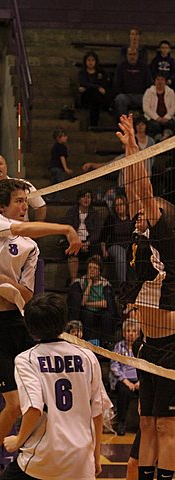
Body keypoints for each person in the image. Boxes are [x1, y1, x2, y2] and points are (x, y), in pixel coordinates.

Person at [0, 178, 81, 480]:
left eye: (25, 201)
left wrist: (6, 283)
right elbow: (21, 229)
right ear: (2, 205)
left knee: (32, 402)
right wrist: (66, 229)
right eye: (18, 201)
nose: (23, 206)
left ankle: (15, 459)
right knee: (15, 402)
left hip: (15, 325)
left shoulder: (31, 248)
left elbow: (26, 296)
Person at [116, 113, 175, 480]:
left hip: (171, 344)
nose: (140, 212)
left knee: (168, 427)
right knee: (148, 424)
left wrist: (136, 151)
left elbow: (146, 192)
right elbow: (135, 191)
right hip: (148, 346)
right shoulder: (143, 235)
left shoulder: (165, 231)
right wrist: (127, 156)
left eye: (147, 213)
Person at [0, 293, 106, 480]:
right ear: (64, 322)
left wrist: (18, 441)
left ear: (30, 327)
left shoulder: (27, 359)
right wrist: (95, 455)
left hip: (45, 456)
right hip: (80, 458)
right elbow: (97, 412)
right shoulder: (88, 357)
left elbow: (34, 408)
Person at [67, 255, 117, 347]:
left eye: (95, 268)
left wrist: (88, 303)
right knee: (87, 314)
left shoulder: (105, 284)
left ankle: (106, 343)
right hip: (87, 312)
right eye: (90, 268)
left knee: (107, 315)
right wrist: (89, 285)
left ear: (99, 271)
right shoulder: (81, 282)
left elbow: (105, 304)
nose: (92, 270)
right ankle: (85, 341)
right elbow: (81, 303)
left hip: (100, 311)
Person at [63, 189, 102, 283]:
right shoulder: (72, 212)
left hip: (89, 241)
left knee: (97, 248)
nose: (86, 199)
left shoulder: (95, 213)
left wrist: (88, 243)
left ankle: (94, 281)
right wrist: (78, 242)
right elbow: (67, 228)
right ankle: (74, 281)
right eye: (84, 197)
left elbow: (97, 232)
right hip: (75, 240)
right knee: (71, 251)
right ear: (79, 199)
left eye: (88, 197)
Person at [110, 318, 140, 435]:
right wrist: (126, 381)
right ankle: (122, 422)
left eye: (134, 331)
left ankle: (144, 424)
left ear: (138, 333)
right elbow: (114, 366)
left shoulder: (141, 347)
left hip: (139, 380)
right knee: (124, 391)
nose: (131, 333)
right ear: (123, 333)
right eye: (128, 331)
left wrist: (140, 382)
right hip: (123, 380)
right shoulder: (119, 346)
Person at [100, 195, 134, 285]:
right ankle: (123, 285)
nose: (119, 207)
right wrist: (104, 251)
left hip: (129, 246)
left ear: (126, 205)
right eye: (116, 205)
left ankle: (134, 284)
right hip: (114, 246)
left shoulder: (131, 219)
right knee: (120, 253)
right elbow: (103, 237)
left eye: (121, 204)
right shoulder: (111, 219)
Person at [114, 48, 152, 120]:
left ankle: (146, 123)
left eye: (134, 54)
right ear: (127, 55)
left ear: (138, 55)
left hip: (141, 95)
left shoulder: (144, 66)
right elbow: (117, 83)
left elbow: (149, 82)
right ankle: (124, 123)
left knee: (151, 99)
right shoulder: (121, 66)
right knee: (120, 99)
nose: (132, 56)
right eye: (130, 54)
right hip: (126, 95)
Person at [78, 51, 111, 127]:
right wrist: (97, 87)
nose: (90, 62)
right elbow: (84, 83)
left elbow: (104, 84)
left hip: (98, 97)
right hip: (86, 96)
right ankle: (94, 124)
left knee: (95, 98)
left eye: (92, 60)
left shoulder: (101, 72)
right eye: (88, 60)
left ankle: (94, 124)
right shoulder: (82, 73)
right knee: (92, 94)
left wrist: (93, 87)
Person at [143, 73, 175, 142]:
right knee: (155, 125)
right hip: (153, 118)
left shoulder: (171, 92)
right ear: (154, 81)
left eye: (162, 79)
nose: (160, 81)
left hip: (167, 118)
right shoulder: (149, 92)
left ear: (165, 81)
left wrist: (166, 117)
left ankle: (166, 137)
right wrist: (157, 118)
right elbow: (146, 108)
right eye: (158, 79)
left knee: (171, 124)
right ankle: (159, 141)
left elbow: (173, 107)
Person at [48, 126, 73, 202]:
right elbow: (62, 157)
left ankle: (52, 197)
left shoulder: (54, 146)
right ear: (59, 138)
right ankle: (57, 198)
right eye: (64, 136)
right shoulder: (62, 147)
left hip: (52, 167)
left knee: (54, 183)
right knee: (59, 183)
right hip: (58, 168)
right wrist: (65, 168)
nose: (66, 138)